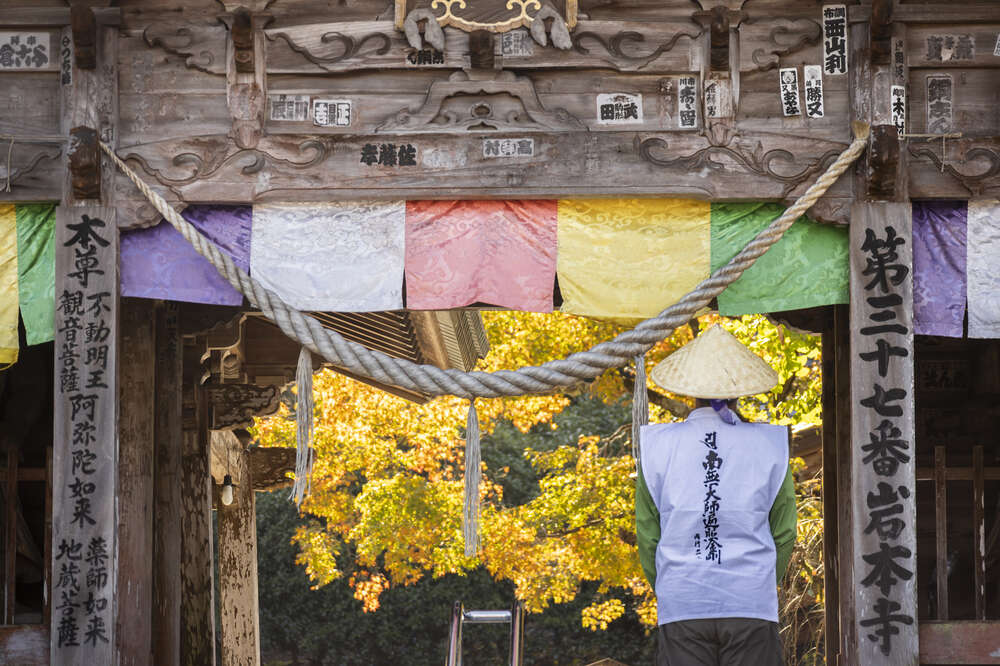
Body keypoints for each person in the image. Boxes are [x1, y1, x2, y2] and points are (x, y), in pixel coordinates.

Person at [635, 324, 797, 666]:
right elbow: (784, 533)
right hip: (751, 600)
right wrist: (762, 582)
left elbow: (648, 537)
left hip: (683, 600)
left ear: (689, 390)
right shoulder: (770, 444)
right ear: (741, 389)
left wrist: (670, 585)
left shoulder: (656, 446)